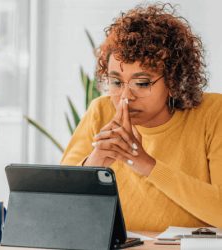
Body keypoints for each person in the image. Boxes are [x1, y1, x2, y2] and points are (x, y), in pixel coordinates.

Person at [60, 3, 222, 231]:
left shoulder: (214, 114)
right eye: (116, 82)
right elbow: (57, 208)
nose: (125, 96)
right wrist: (95, 163)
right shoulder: (100, 112)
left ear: (174, 81)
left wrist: (145, 163)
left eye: (142, 83)